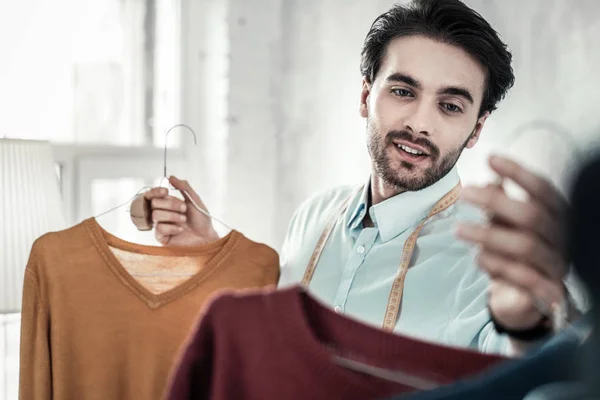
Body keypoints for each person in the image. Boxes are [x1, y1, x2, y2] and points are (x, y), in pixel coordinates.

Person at [145, 0, 577, 355]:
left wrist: (528, 323)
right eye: (403, 91)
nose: (419, 124)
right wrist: (209, 256)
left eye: (450, 106)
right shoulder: (312, 217)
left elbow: (535, 378)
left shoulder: (493, 260)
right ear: (366, 95)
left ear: (476, 130)